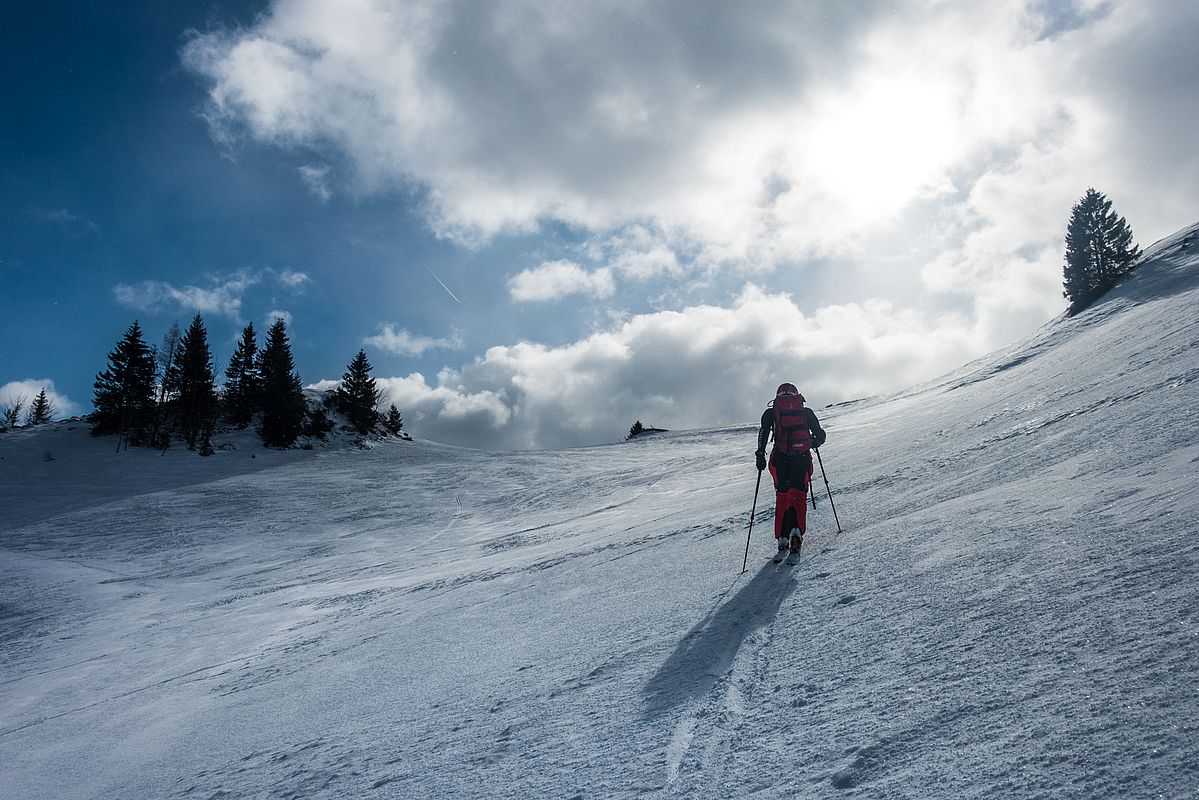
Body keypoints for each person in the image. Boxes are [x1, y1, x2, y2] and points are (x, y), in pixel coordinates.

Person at [755, 382, 826, 557]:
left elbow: (763, 433)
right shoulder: (805, 413)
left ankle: (782, 537)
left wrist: (760, 454)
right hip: (801, 459)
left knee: (783, 495)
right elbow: (821, 436)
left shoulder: (771, 413)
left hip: (780, 460)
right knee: (799, 495)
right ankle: (797, 532)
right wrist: (813, 443)